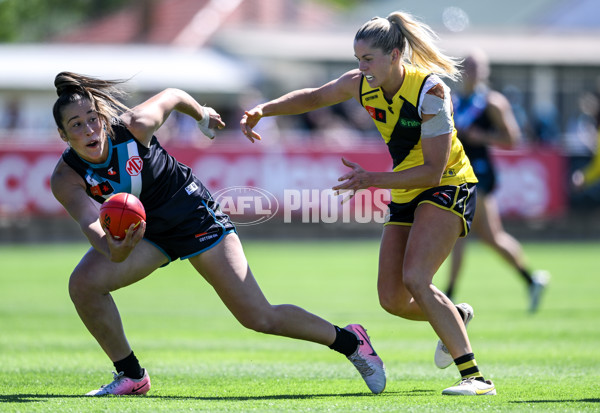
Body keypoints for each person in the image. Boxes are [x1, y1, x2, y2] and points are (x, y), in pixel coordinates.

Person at [50, 72, 386, 396]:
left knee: (258, 316)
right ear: (64, 136)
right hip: (147, 232)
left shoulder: (135, 126)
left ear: (103, 118)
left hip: (193, 215)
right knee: (84, 284)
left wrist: (202, 115)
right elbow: (93, 229)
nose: (89, 129)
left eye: (92, 118)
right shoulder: (66, 178)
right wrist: (117, 249)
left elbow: (173, 96)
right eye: (76, 125)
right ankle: (131, 375)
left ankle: (351, 341)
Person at [241, 11, 495, 396]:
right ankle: (455, 316)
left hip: (447, 185)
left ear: (395, 55)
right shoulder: (361, 84)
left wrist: (371, 179)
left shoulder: (431, 92)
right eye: (358, 59)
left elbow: (432, 171)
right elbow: (314, 97)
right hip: (404, 189)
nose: (362, 67)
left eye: (368, 59)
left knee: (416, 277)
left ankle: (475, 377)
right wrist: (265, 109)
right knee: (392, 299)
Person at [446, 50, 550, 313]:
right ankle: (531, 280)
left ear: (485, 71)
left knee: (458, 232)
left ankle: (446, 298)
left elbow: (513, 138)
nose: (472, 71)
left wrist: (482, 136)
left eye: (477, 66)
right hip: (457, 173)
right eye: (467, 66)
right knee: (491, 237)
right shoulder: (454, 100)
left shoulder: (492, 103)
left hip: (479, 173)